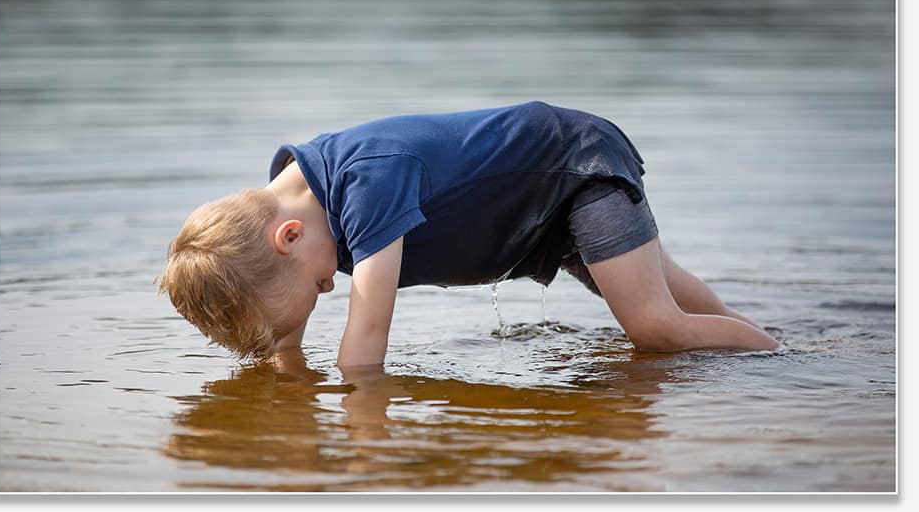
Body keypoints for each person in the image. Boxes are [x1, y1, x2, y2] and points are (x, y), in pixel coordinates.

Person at [157, 101, 778, 368]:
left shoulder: (367, 185)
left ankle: (779, 362)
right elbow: (284, 330)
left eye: (319, 287)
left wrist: (360, 436)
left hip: (571, 172)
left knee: (655, 327)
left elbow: (367, 336)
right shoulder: (291, 213)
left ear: (287, 237)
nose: (329, 286)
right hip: (534, 222)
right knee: (678, 305)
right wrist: (282, 378)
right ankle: (758, 339)